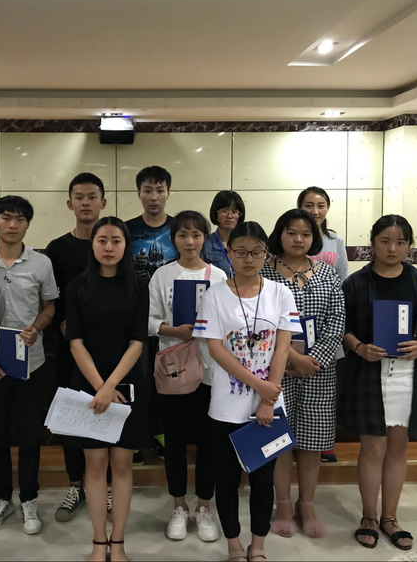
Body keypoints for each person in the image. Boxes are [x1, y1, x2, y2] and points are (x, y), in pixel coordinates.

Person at [193, 220, 300, 562]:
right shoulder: (215, 294)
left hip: (269, 407)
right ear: (229, 253)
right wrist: (261, 387)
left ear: (266, 254)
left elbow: (282, 347)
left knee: (263, 479)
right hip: (225, 406)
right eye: (241, 252)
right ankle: (234, 545)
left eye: (256, 252)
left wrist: (268, 398)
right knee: (226, 479)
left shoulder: (280, 293)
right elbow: (216, 349)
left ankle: (258, 545)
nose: (249, 259)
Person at [340, 215, 417, 551]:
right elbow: (342, 326)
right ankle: (369, 517)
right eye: (385, 241)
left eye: (400, 242)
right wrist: (359, 347)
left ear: (409, 245)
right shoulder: (356, 282)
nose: (393, 248)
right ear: (373, 242)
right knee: (372, 447)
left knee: (399, 447)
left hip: (407, 373)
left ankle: (390, 517)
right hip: (370, 372)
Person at [65, 217, 149, 562]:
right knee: (95, 464)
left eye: (116, 240)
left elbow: (138, 341)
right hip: (88, 385)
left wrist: (111, 385)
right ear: (93, 244)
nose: (109, 247)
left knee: (123, 465)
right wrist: (100, 387)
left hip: (127, 384)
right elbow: (75, 342)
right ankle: (99, 542)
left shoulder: (138, 286)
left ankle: (119, 542)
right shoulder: (77, 287)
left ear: (126, 245)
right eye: (102, 240)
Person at [0, 196, 57, 536]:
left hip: (30, 364)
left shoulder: (41, 263)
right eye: (6, 217)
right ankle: (1, 497)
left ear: (27, 224)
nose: (12, 224)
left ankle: (29, 499)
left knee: (29, 436)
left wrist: (37, 328)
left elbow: (49, 307)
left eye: (20, 219)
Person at [261, 209, 345, 539]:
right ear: (279, 234)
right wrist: (293, 358)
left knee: (313, 441)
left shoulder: (328, 274)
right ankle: (282, 505)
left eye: (306, 234)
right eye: (291, 232)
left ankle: (306, 505)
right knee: (280, 440)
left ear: (314, 238)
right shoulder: (264, 273)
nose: (299, 239)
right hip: (275, 370)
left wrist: (314, 360)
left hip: (318, 372)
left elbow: (337, 322)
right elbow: (259, 323)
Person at [148, 211, 226, 542]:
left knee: (209, 442)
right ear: (173, 239)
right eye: (182, 235)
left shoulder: (219, 276)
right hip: (175, 369)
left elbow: (230, 320)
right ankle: (179, 506)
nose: (190, 241)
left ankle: (204, 506)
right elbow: (148, 320)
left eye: (196, 234)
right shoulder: (162, 275)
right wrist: (173, 330)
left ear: (205, 238)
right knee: (176, 441)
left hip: (212, 371)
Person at [45, 172, 107, 522]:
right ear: (69, 203)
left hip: (108, 349)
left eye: (92, 196)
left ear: (103, 202)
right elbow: (50, 299)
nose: (86, 203)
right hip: (70, 348)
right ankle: (75, 485)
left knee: (106, 413)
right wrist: (61, 323)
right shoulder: (57, 249)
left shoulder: (113, 242)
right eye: (79, 197)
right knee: (71, 416)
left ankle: (105, 486)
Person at [125, 165, 177, 463]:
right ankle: (133, 436)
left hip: (171, 318)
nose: (154, 197)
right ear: (139, 194)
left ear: (168, 193)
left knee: (168, 377)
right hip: (133, 316)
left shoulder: (179, 228)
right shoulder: (126, 229)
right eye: (148, 190)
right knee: (135, 377)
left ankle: (161, 433)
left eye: (159, 190)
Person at [298, 186, 348, 464]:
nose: (315, 211)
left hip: (326, 323)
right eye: (309, 205)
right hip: (295, 329)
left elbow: (342, 278)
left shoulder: (334, 241)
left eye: (320, 205)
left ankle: (323, 443)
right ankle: (293, 442)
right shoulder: (290, 240)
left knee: (325, 390)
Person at [202, 190, 245, 278]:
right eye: (224, 211)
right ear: (215, 213)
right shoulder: (204, 243)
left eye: (234, 212)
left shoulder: (245, 244)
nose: (229, 216)